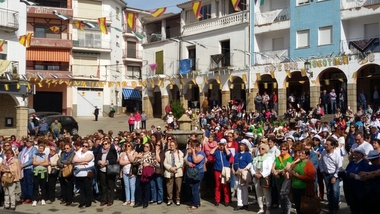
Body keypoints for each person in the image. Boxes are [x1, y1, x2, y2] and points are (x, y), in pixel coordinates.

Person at [288, 147, 316, 214]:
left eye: (302, 153)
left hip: (304, 189)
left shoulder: (309, 165)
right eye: (300, 153)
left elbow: (311, 178)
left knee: (304, 207)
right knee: (297, 206)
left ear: (307, 156)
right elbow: (290, 169)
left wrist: (298, 176)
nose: (300, 154)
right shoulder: (297, 163)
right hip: (295, 187)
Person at [319, 137, 343, 214]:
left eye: (327, 144)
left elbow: (339, 167)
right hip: (326, 174)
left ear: (332, 146)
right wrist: (322, 170)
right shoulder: (323, 153)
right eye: (325, 144)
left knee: (335, 191)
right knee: (329, 191)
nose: (325, 145)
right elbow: (321, 163)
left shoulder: (336, 154)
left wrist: (335, 177)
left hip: (334, 174)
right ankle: (331, 206)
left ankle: (335, 206)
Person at [251, 143, 274, 214]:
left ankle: (268, 208)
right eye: (259, 148)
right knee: (259, 194)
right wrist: (254, 174)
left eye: (262, 149)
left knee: (267, 194)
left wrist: (262, 174)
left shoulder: (269, 158)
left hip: (264, 178)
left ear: (266, 150)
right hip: (256, 178)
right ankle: (261, 208)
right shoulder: (256, 158)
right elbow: (252, 167)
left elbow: (269, 169)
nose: (260, 150)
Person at [343, 147, 368, 214]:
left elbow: (365, 177)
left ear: (362, 155)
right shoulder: (352, 162)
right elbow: (347, 170)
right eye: (355, 152)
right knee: (352, 205)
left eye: (358, 152)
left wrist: (355, 176)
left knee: (359, 206)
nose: (355, 153)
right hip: (350, 188)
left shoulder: (364, 163)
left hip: (359, 189)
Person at [73, 140, 95, 208]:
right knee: (81, 189)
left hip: (87, 173)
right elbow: (73, 160)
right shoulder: (78, 153)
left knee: (87, 188)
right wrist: (82, 162)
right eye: (83, 146)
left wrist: (78, 161)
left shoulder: (90, 153)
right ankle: (82, 201)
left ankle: (88, 201)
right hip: (79, 174)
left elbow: (87, 159)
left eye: (86, 146)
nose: (84, 147)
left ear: (88, 147)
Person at [95, 138, 118, 206]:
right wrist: (99, 162)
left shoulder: (112, 151)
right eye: (103, 144)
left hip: (109, 170)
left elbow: (114, 159)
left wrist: (106, 162)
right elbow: (97, 159)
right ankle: (104, 199)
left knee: (110, 185)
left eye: (106, 144)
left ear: (109, 144)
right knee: (103, 185)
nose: (104, 145)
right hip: (102, 170)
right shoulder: (101, 151)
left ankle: (110, 200)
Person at [272, 142, 293, 214]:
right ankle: (282, 210)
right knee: (280, 196)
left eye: (284, 149)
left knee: (286, 196)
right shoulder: (278, 158)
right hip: (277, 179)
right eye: (281, 149)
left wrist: (278, 171)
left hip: (285, 179)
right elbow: (273, 167)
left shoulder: (289, 158)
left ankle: (287, 211)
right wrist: (275, 173)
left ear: (287, 150)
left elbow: (287, 167)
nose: (282, 151)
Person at [133, 142, 156, 209]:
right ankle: (139, 201)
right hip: (140, 172)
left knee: (146, 187)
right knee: (138, 187)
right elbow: (134, 162)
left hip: (146, 173)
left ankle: (146, 201)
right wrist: (137, 157)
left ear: (149, 148)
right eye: (145, 146)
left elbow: (155, 163)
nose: (145, 148)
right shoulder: (141, 153)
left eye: (147, 147)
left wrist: (148, 164)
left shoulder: (151, 154)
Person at [185, 139, 206, 211]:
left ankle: (195, 204)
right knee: (192, 187)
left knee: (195, 187)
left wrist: (193, 152)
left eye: (194, 147)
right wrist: (188, 163)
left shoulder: (201, 154)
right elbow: (187, 160)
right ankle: (196, 201)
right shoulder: (191, 153)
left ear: (197, 147)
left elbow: (196, 160)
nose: (193, 148)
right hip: (192, 172)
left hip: (199, 172)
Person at [210, 138, 231, 207]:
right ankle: (217, 200)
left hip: (225, 170)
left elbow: (229, 155)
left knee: (225, 186)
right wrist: (216, 146)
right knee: (218, 185)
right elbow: (211, 153)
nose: (221, 146)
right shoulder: (217, 151)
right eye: (221, 145)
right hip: (217, 170)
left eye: (223, 145)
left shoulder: (227, 151)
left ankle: (227, 200)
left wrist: (225, 147)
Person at [232, 139, 252, 211]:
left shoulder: (247, 154)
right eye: (240, 145)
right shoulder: (237, 153)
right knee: (238, 188)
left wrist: (244, 169)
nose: (240, 146)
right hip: (236, 173)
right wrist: (233, 169)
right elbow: (234, 162)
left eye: (242, 145)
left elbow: (250, 163)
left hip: (243, 173)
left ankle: (245, 203)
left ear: (245, 146)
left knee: (244, 188)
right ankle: (239, 203)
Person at [163, 140, 184, 206]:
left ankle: (178, 199)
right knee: (169, 186)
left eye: (172, 145)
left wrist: (175, 167)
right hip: (169, 171)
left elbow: (181, 162)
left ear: (176, 146)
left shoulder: (179, 152)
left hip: (177, 171)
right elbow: (165, 163)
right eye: (170, 145)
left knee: (178, 186)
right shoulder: (167, 153)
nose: (171, 146)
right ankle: (169, 199)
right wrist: (170, 168)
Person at [19, 138, 37, 205]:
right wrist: (20, 164)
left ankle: (29, 197)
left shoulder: (34, 149)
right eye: (27, 141)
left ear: (32, 142)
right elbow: (20, 156)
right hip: (22, 168)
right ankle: (24, 197)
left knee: (29, 183)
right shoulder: (24, 149)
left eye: (30, 141)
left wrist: (24, 165)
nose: (28, 142)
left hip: (29, 168)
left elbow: (32, 159)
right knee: (23, 183)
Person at [120, 141, 136, 206]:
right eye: (126, 146)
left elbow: (132, 160)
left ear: (131, 146)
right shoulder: (123, 153)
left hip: (131, 171)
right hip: (125, 171)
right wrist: (128, 162)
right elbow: (121, 162)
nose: (127, 147)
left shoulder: (134, 152)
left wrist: (128, 154)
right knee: (126, 186)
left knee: (132, 186)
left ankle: (133, 200)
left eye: (129, 146)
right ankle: (127, 199)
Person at [150, 140, 165, 204]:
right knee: (153, 185)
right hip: (153, 169)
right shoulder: (152, 151)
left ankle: (160, 199)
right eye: (156, 144)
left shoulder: (162, 152)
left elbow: (159, 160)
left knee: (159, 186)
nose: (157, 146)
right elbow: (151, 159)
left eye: (158, 145)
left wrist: (156, 151)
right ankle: (154, 198)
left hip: (159, 170)